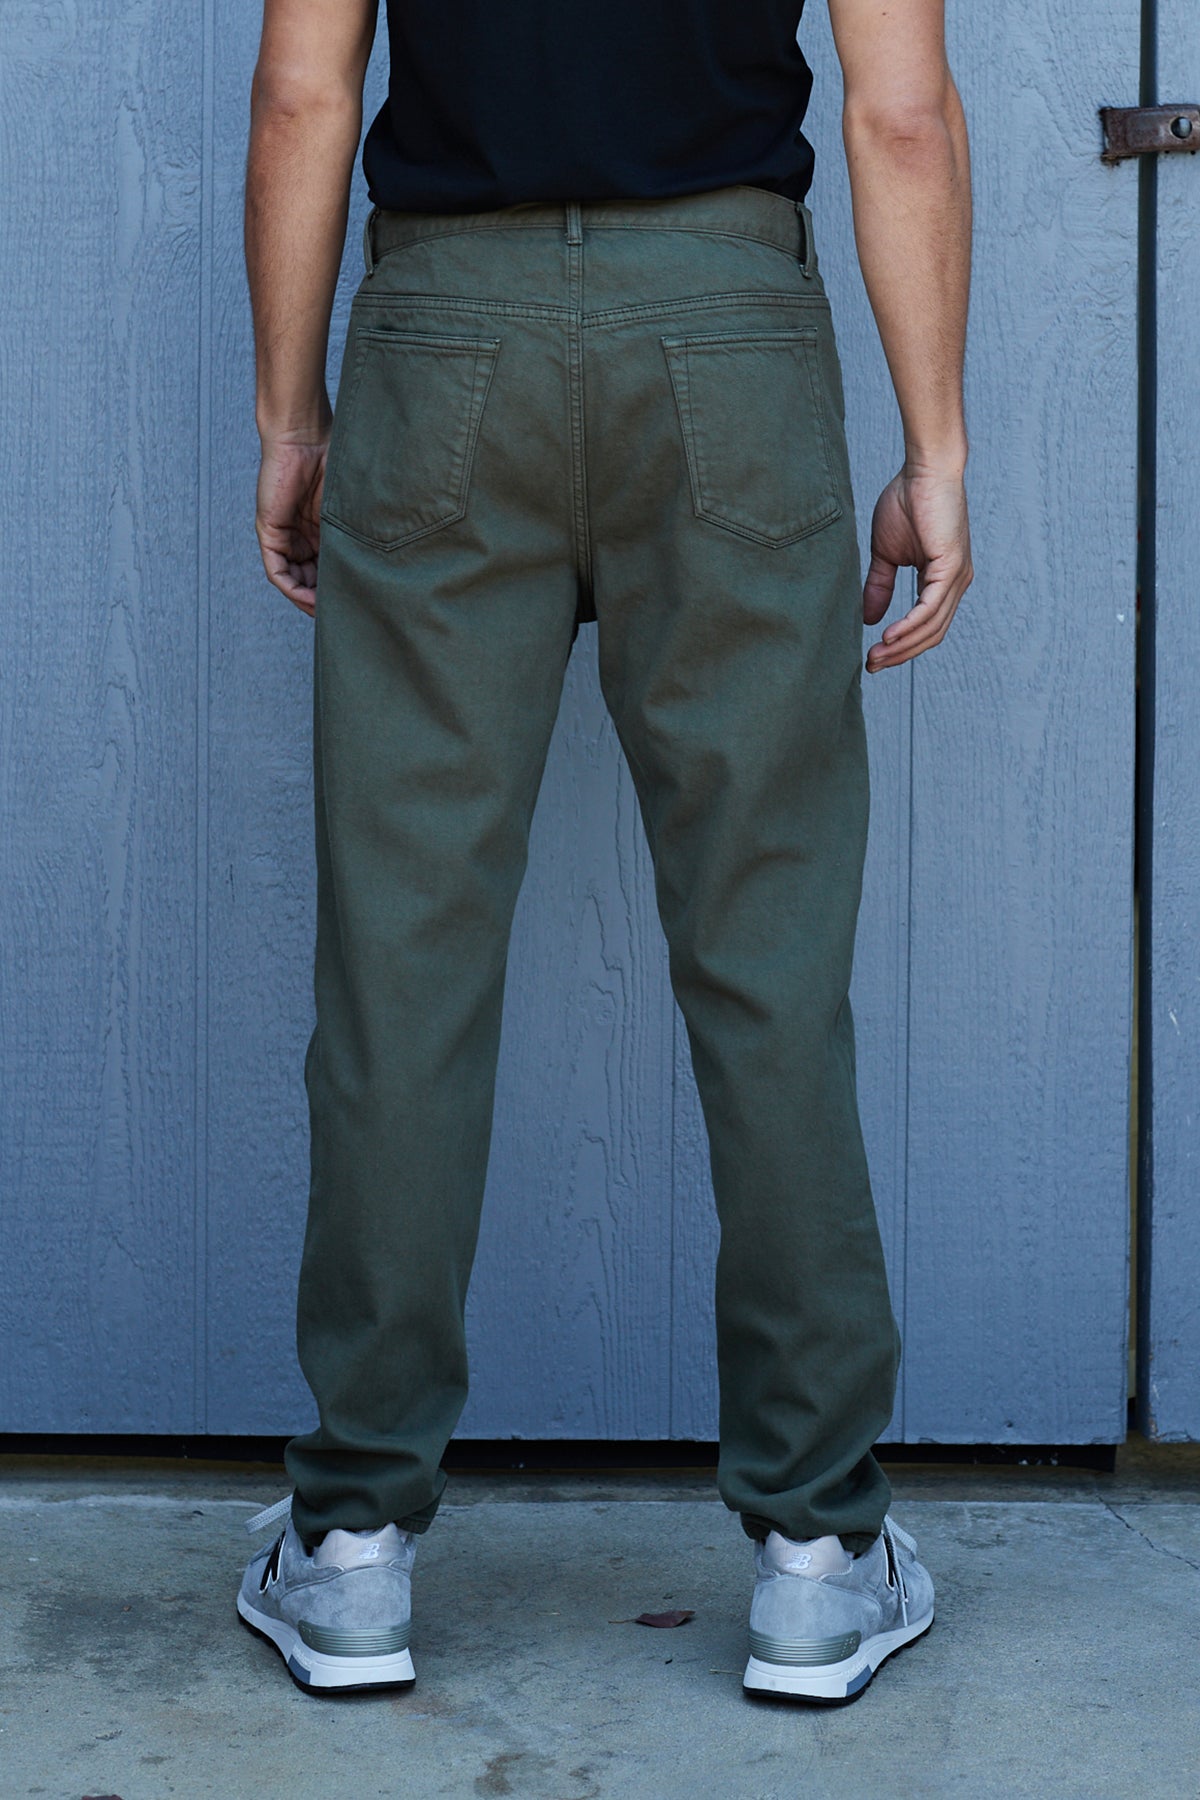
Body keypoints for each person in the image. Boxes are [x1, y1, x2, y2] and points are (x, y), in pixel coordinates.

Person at [236, 0, 973, 1703]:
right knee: (768, 962)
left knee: (401, 962)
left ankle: (350, 1553)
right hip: (724, 326)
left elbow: (301, 90)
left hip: (444, 337)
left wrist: (291, 413)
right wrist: (935, 443)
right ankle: (817, 1555)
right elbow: (903, 113)